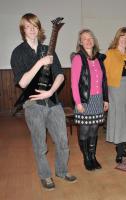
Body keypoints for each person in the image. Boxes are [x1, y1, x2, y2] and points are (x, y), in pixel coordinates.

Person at [10, 13, 77, 191]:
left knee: (62, 142)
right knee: (40, 145)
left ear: (39, 28)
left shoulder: (48, 49)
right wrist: (40, 63)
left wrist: (51, 90)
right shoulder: (18, 52)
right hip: (32, 104)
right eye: (28, 26)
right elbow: (23, 82)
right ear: (23, 30)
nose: (32, 29)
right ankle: (45, 175)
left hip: (53, 101)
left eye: (35, 26)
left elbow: (60, 75)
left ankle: (62, 171)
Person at [71, 29, 109, 171]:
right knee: (85, 130)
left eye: (90, 37)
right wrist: (78, 103)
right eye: (84, 38)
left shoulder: (99, 58)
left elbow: (104, 81)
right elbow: (74, 83)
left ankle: (93, 156)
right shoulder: (78, 58)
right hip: (85, 100)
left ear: (94, 40)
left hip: (98, 99)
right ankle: (86, 157)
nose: (88, 40)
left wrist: (106, 99)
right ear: (80, 42)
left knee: (94, 129)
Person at [104, 27, 126, 163]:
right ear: (118, 38)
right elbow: (104, 75)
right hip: (115, 89)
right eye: (122, 36)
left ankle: (122, 148)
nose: (124, 39)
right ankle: (119, 149)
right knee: (119, 118)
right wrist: (105, 95)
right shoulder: (110, 53)